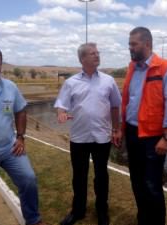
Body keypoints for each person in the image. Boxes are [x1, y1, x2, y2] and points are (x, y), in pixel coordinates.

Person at [0, 46, 45, 225]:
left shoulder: (10, 87)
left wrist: (20, 137)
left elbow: (20, 111)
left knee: (29, 180)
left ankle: (33, 219)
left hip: (9, 148)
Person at [54, 42, 121, 225]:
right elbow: (61, 104)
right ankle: (78, 211)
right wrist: (61, 113)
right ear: (82, 59)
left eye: (98, 52)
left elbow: (115, 106)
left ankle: (102, 212)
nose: (97, 55)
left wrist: (117, 129)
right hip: (79, 138)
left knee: (101, 176)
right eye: (92, 53)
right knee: (79, 176)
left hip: (102, 137)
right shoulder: (71, 83)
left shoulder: (108, 81)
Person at [121, 27, 167, 225]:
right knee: (136, 182)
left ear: (147, 44)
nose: (130, 48)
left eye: (133, 44)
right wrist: (122, 130)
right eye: (130, 44)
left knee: (152, 185)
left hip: (154, 137)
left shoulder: (166, 68)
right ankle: (143, 220)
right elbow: (128, 102)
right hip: (132, 132)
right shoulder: (132, 68)